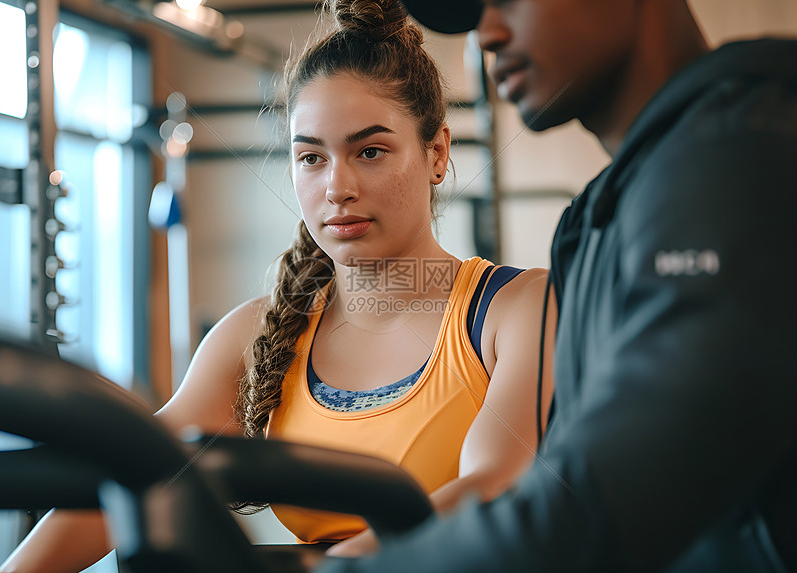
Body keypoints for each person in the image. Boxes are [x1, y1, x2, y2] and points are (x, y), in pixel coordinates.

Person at [0, 1, 555, 571]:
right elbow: (138, 471)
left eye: (370, 151)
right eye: (311, 157)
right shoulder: (256, 333)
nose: (337, 186)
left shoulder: (518, 309)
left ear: (436, 152)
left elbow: (494, 485)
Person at [313, 1, 797, 572]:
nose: (487, 33)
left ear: (437, 154)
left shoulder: (747, 151)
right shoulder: (599, 217)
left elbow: (609, 496)